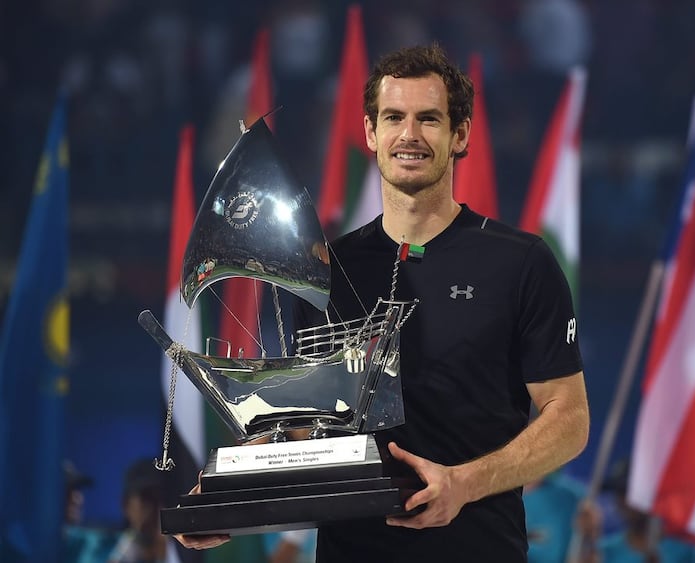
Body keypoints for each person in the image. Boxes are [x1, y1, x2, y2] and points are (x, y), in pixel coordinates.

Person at [177, 42, 590, 562]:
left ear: (460, 135)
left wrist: (463, 483)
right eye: (393, 117)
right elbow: (308, 424)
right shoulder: (326, 269)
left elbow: (569, 419)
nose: (409, 135)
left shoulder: (522, 262)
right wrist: (231, 492)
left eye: (429, 119)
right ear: (371, 132)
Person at [108, 458, 180, 563]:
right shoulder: (106, 550)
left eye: (162, 498)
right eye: (147, 498)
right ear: (126, 505)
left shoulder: (185, 551)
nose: (156, 508)